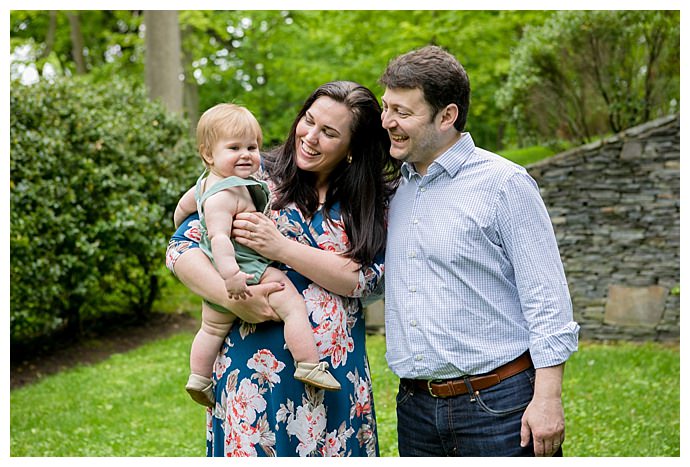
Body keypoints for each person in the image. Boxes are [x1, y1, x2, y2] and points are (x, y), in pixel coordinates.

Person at [165, 81, 401, 456]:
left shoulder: (370, 202)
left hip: (335, 377)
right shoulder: (251, 176)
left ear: (353, 148)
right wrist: (233, 296)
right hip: (256, 381)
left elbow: (366, 280)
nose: (310, 136)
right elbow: (181, 248)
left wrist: (280, 248)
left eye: (329, 133)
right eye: (308, 121)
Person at [379, 45, 580, 457]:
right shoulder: (392, 190)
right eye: (386, 108)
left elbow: (547, 298)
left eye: (402, 112)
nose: (387, 122)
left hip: (500, 406)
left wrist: (547, 399)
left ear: (447, 116)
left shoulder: (505, 184)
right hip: (414, 408)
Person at [174, 103, 341, 408]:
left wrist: (181, 218)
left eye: (252, 146)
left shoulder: (205, 185)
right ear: (209, 154)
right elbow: (221, 239)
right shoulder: (228, 193)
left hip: (221, 272)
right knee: (291, 305)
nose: (246, 154)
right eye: (234, 147)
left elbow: (184, 208)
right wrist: (232, 279)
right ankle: (307, 363)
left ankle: (199, 377)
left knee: (210, 328)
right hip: (245, 269)